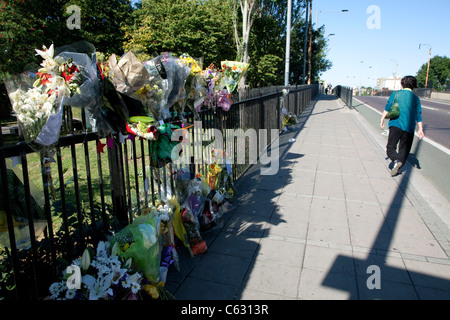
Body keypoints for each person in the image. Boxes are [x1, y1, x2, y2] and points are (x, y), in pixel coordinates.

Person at [380, 76, 424, 176]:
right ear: (414, 86)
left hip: (396, 124)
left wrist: (382, 119)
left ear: (402, 84)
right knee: (404, 149)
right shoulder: (416, 99)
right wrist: (420, 129)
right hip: (409, 127)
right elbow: (418, 115)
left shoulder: (396, 94)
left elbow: (388, 107)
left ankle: (396, 160)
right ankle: (399, 164)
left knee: (391, 147)